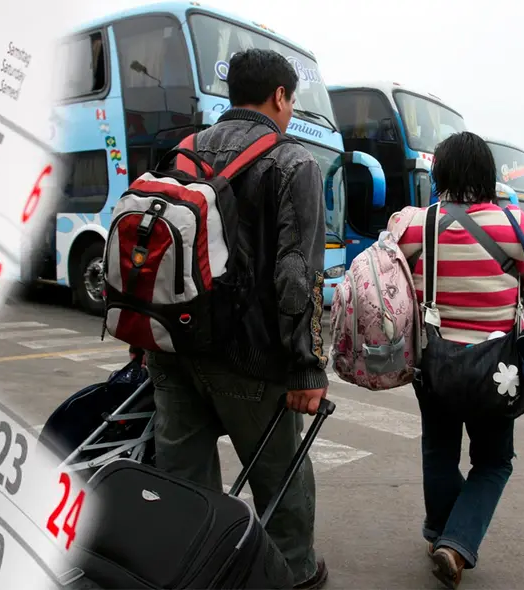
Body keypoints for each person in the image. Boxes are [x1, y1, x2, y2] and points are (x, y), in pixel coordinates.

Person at [133, 48, 330, 589]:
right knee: (280, 481)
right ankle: (292, 573)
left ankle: (190, 572)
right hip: (250, 358)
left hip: (171, 348)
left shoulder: (181, 151)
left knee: (183, 484)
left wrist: (142, 337)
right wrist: (306, 369)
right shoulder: (295, 162)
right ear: (281, 96)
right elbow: (297, 277)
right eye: (292, 100)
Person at [392, 132, 524, 588]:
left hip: (433, 363)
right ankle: (455, 543)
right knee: (494, 461)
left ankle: (441, 533)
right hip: (496, 369)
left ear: (439, 174)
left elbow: (392, 276)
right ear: (488, 176)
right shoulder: (513, 223)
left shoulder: (419, 224)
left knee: (439, 451)